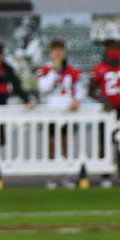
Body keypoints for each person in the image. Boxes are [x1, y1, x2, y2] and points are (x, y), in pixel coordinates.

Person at [36, 40, 85, 171]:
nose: (58, 53)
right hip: (52, 110)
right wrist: (54, 71)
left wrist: (77, 100)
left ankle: (66, 172)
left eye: (60, 50)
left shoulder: (72, 70)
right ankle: (52, 172)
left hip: (67, 110)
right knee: (52, 143)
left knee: (66, 143)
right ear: (50, 52)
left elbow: (79, 89)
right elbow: (44, 87)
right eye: (55, 50)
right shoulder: (45, 69)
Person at [90, 40, 120, 180]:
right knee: (105, 140)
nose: (114, 50)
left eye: (116, 47)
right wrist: (103, 99)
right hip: (107, 111)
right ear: (106, 50)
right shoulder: (99, 69)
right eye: (111, 48)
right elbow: (91, 91)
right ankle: (106, 173)